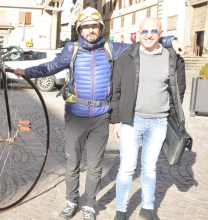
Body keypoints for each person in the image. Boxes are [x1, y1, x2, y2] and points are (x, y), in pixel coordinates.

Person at [14, 7, 185, 220]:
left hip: (102, 116)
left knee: (95, 165)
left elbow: (144, 41)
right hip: (76, 115)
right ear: (80, 30)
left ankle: (89, 205)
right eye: (85, 27)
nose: (90, 30)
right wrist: (27, 72)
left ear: (100, 28)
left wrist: (171, 40)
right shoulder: (72, 49)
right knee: (72, 162)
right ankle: (71, 201)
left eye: (94, 26)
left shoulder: (111, 47)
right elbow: (51, 67)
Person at [111, 17, 186, 220]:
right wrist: (115, 121)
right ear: (139, 33)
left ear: (161, 34)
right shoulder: (125, 58)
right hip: (131, 121)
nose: (149, 35)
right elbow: (115, 92)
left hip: (159, 123)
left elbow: (179, 92)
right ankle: (121, 210)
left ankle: (148, 207)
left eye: (154, 31)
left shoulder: (174, 59)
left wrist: (172, 117)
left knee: (150, 167)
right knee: (126, 168)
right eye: (145, 31)